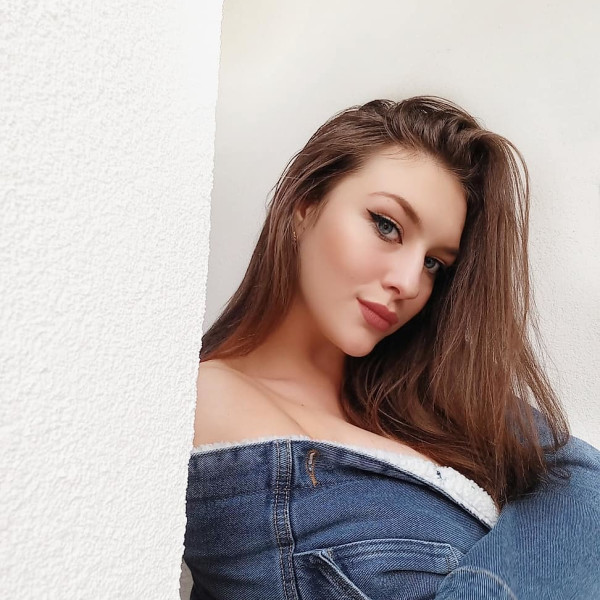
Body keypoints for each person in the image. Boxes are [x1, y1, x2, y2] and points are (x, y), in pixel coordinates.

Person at [183, 96, 600, 599]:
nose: (408, 282)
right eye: (387, 226)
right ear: (304, 206)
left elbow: (582, 480)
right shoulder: (205, 400)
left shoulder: (426, 394)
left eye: (433, 264)